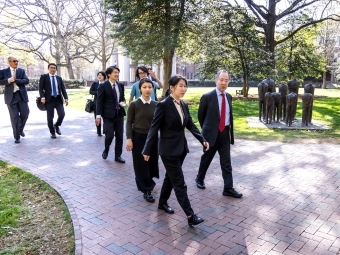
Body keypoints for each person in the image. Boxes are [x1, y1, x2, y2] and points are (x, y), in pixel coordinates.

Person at [142, 75, 209, 227]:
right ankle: (190, 215)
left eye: (185, 86)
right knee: (179, 182)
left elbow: (190, 124)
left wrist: (202, 139)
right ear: (172, 87)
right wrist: (147, 149)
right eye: (181, 86)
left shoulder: (183, 104)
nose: (184, 89)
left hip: (181, 149)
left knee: (170, 178)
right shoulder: (163, 105)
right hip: (168, 151)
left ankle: (162, 203)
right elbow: (154, 128)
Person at [195, 70, 243, 198]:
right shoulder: (207, 97)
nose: (224, 83)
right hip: (211, 135)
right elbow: (201, 116)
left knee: (226, 163)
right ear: (216, 80)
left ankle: (228, 188)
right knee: (206, 159)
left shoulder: (228, 97)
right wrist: (207, 131)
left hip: (225, 134)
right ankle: (199, 179)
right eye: (221, 80)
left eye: (226, 80)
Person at [126, 78, 159, 203]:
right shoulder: (134, 104)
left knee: (151, 162)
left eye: (150, 87)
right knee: (140, 164)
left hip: (152, 138)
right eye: (144, 87)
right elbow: (129, 123)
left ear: (153, 88)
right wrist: (129, 139)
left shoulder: (156, 104)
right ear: (140, 89)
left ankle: (148, 182)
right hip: (138, 137)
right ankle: (146, 190)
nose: (147, 90)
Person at [96, 66, 126, 163]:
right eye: (115, 72)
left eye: (118, 72)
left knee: (120, 137)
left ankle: (118, 156)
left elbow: (122, 98)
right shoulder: (103, 86)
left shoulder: (120, 85)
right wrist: (98, 116)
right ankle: (106, 149)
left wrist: (123, 102)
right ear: (109, 74)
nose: (117, 74)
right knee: (109, 136)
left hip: (119, 114)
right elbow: (99, 102)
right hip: (108, 115)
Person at [0, 56, 30, 143]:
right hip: (11, 97)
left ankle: (20, 129)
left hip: (21, 96)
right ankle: (17, 136)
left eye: (17, 61)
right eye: (14, 61)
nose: (16, 62)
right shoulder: (3, 72)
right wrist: (8, 80)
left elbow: (26, 80)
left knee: (25, 114)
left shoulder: (21, 71)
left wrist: (16, 80)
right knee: (14, 117)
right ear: (9, 62)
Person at [39, 63, 68, 139]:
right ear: (48, 69)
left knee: (62, 114)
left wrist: (66, 98)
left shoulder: (59, 78)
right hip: (49, 99)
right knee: (50, 117)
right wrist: (42, 97)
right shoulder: (44, 77)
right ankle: (52, 132)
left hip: (58, 99)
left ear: (56, 69)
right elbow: (40, 88)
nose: (53, 69)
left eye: (54, 68)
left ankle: (57, 125)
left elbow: (63, 89)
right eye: (51, 68)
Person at [89, 71, 106, 136]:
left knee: (105, 118)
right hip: (96, 103)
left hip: (105, 103)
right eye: (98, 75)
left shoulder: (106, 84)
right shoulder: (95, 83)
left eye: (101, 75)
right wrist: (98, 93)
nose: (99, 76)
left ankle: (105, 130)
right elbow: (91, 91)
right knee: (97, 117)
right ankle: (98, 131)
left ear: (104, 76)